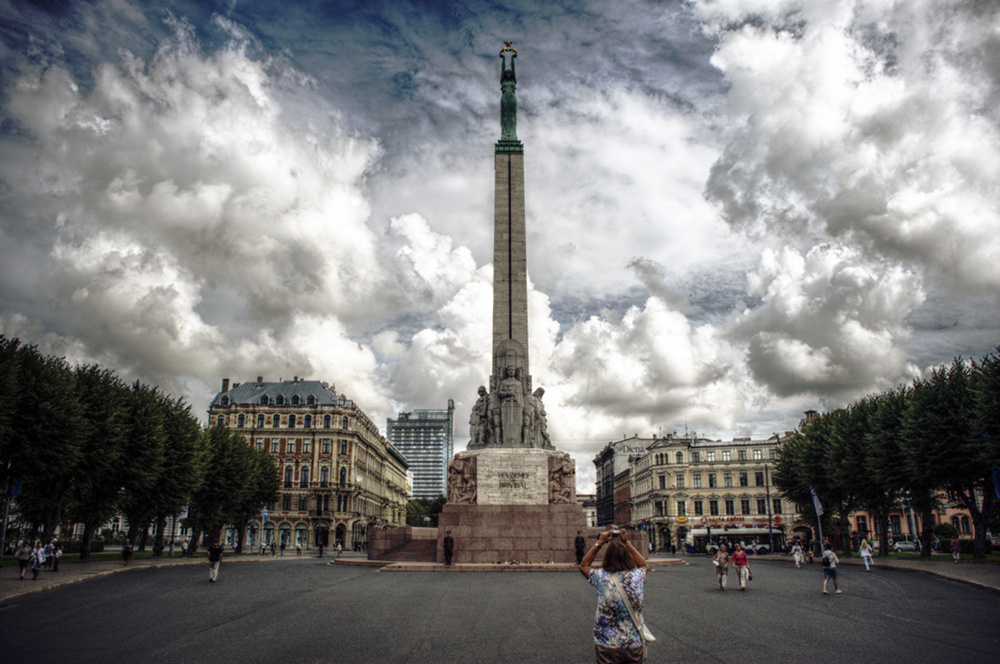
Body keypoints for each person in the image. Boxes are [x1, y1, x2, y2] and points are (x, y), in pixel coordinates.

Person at [579, 529, 650, 663]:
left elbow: (583, 566)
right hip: (633, 643)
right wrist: (627, 542)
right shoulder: (637, 577)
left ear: (607, 558)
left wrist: (599, 543)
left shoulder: (601, 578)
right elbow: (643, 564)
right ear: (628, 557)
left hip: (607, 643)